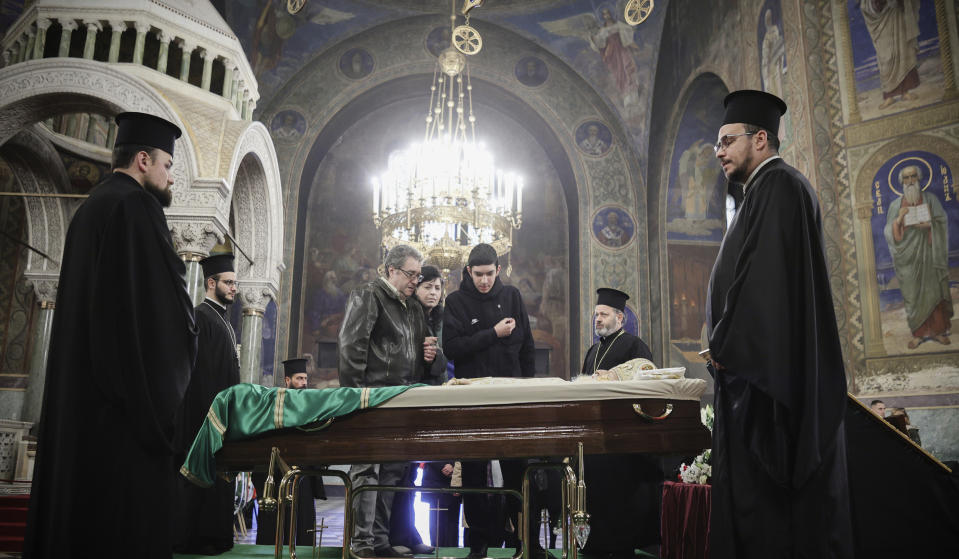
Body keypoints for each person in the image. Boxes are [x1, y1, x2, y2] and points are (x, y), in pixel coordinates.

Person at [24, 112, 197, 558]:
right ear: (143, 160)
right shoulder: (137, 207)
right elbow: (162, 314)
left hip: (84, 407)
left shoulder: (93, 206)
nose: (170, 176)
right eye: (167, 165)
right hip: (120, 419)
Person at [705, 90, 853, 558]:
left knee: (771, 521)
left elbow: (764, 285)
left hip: (766, 390)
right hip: (754, 379)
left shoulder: (779, 187)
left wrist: (726, 346)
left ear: (761, 138)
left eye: (728, 141)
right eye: (717, 145)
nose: (720, 151)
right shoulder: (762, 193)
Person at [339, 245, 437, 558]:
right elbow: (352, 346)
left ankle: (379, 541)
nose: (415, 280)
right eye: (411, 274)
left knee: (392, 473)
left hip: (402, 399)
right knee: (367, 471)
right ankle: (362, 543)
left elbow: (426, 352)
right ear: (391, 270)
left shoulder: (413, 308)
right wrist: (356, 397)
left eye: (418, 275)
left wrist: (431, 354)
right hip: (373, 398)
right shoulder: (369, 295)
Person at [443, 244, 538, 559]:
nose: (484, 280)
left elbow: (527, 349)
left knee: (517, 471)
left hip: (512, 399)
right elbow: (452, 348)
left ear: (499, 269)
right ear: (469, 271)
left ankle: (525, 542)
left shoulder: (512, 296)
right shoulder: (456, 301)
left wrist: (528, 394)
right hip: (473, 401)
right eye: (478, 274)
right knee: (473, 472)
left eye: (489, 273)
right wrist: (493, 333)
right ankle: (478, 544)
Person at [578, 288, 660, 557]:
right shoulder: (592, 351)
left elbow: (649, 377)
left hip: (621, 443)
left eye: (603, 314)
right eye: (596, 315)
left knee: (619, 501)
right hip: (593, 442)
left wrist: (616, 376)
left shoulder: (634, 346)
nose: (597, 319)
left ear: (620, 319)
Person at [173, 253, 241, 554]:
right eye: (228, 283)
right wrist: (212, 418)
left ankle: (216, 537)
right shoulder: (201, 316)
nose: (234, 289)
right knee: (203, 480)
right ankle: (198, 539)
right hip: (204, 417)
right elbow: (199, 375)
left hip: (220, 416)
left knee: (219, 480)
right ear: (211, 283)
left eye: (235, 283)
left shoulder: (222, 319)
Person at [392, 266, 456, 552]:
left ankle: (408, 535)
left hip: (428, 399)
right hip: (405, 399)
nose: (433, 292)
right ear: (415, 288)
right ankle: (397, 536)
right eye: (427, 286)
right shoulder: (407, 315)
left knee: (408, 473)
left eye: (437, 287)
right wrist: (425, 357)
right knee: (398, 472)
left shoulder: (438, 319)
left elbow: (441, 367)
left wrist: (434, 357)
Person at [253, 358, 326, 547]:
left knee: (303, 521)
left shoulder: (310, 404)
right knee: (275, 523)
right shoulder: (275, 404)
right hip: (277, 473)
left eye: (305, 379)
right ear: (287, 381)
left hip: (303, 474)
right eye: (299, 378)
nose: (303, 383)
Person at [883, 164, 952, 349]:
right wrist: (899, 219)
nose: (910, 181)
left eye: (913, 176)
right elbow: (889, 233)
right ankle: (919, 334)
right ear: (901, 182)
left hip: (929, 255)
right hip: (908, 261)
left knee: (933, 290)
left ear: (919, 178)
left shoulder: (930, 199)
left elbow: (941, 222)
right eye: (906, 178)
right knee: (913, 295)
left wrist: (930, 226)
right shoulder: (895, 205)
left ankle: (938, 332)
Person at [860, 0, 921, 109]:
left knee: (903, 53)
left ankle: (905, 92)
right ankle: (889, 96)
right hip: (882, 21)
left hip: (897, 16)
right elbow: (866, 5)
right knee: (886, 60)